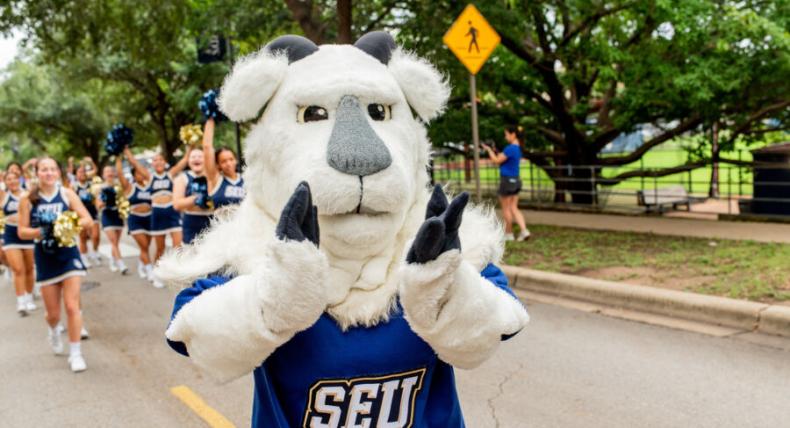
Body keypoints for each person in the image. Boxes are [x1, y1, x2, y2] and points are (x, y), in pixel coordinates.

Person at [17, 157, 93, 373]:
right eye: (44, 170)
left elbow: (87, 219)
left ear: (58, 173)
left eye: (52, 169)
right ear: (37, 173)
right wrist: (43, 232)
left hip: (69, 255)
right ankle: (53, 331)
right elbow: (22, 231)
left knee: (71, 305)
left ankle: (76, 354)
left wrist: (68, 226)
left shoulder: (67, 194)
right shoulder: (28, 199)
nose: (48, 173)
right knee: (53, 314)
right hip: (45, 257)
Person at [482, 125, 531, 241]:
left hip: (507, 181)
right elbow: (503, 158)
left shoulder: (510, 148)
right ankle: (524, 231)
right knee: (514, 208)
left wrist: (489, 151)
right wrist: (495, 151)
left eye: (506, 134)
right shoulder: (518, 148)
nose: (505, 137)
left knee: (506, 209)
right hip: (516, 180)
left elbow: (497, 161)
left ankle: (508, 234)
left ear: (513, 134)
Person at [119, 147, 157, 284]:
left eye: (142, 174)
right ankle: (150, 270)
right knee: (143, 246)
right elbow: (120, 174)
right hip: (135, 220)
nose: (141, 176)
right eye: (138, 174)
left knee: (146, 247)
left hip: (149, 219)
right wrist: (118, 157)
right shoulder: (130, 187)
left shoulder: (150, 185)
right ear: (134, 175)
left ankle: (142, 265)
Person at [1, 170, 36, 316]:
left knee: (29, 268)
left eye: (14, 179)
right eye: (8, 180)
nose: (12, 182)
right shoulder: (3, 195)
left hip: (27, 234)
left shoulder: (28, 193)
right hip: (10, 235)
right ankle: (20, 302)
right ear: (5, 182)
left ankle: (29, 297)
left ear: (19, 180)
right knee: (18, 269)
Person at [149, 150, 190, 261]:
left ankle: (177, 273)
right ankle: (156, 274)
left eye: (160, 159)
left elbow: (184, 160)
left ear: (165, 162)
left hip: (172, 213)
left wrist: (190, 145)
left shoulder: (170, 174)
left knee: (178, 248)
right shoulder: (149, 177)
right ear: (152, 163)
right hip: (158, 214)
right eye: (155, 160)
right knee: (160, 249)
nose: (158, 162)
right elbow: (134, 163)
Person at [173, 147, 213, 244]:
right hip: (192, 221)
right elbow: (177, 205)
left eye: (200, 156)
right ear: (188, 161)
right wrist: (197, 198)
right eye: (193, 157)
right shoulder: (182, 178)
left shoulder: (213, 176)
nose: (196, 159)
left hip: (212, 220)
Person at [202, 118, 244, 210]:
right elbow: (207, 147)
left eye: (231, 159)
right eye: (223, 161)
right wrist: (210, 118)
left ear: (236, 160)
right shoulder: (215, 179)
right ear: (218, 165)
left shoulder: (245, 179)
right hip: (223, 223)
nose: (228, 163)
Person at [96, 164, 128, 274]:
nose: (109, 173)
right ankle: (121, 264)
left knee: (116, 242)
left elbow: (124, 200)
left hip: (117, 215)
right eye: (107, 172)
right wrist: (105, 201)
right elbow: (98, 204)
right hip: (107, 215)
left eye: (111, 171)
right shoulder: (100, 188)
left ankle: (112, 260)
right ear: (103, 175)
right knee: (113, 241)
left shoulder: (119, 186)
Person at [73, 159, 102, 267]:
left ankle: (94, 252)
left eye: (84, 172)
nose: (82, 174)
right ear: (76, 175)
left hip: (92, 212)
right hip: (80, 215)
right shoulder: (74, 187)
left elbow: (95, 170)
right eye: (80, 172)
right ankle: (84, 257)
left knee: (96, 236)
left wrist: (91, 162)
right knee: (83, 237)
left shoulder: (91, 185)